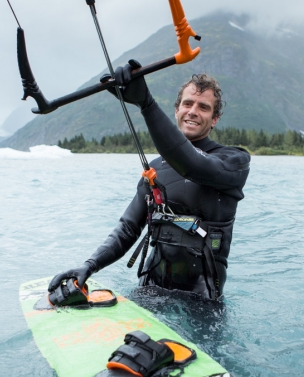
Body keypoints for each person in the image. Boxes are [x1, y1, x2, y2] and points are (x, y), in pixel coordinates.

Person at [48, 61, 251, 300]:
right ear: (176, 110)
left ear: (215, 119)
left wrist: (146, 103)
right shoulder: (154, 169)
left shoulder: (234, 161)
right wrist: (90, 265)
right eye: (187, 103)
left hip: (201, 301)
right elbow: (127, 228)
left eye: (204, 107)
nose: (193, 111)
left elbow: (192, 164)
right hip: (150, 291)